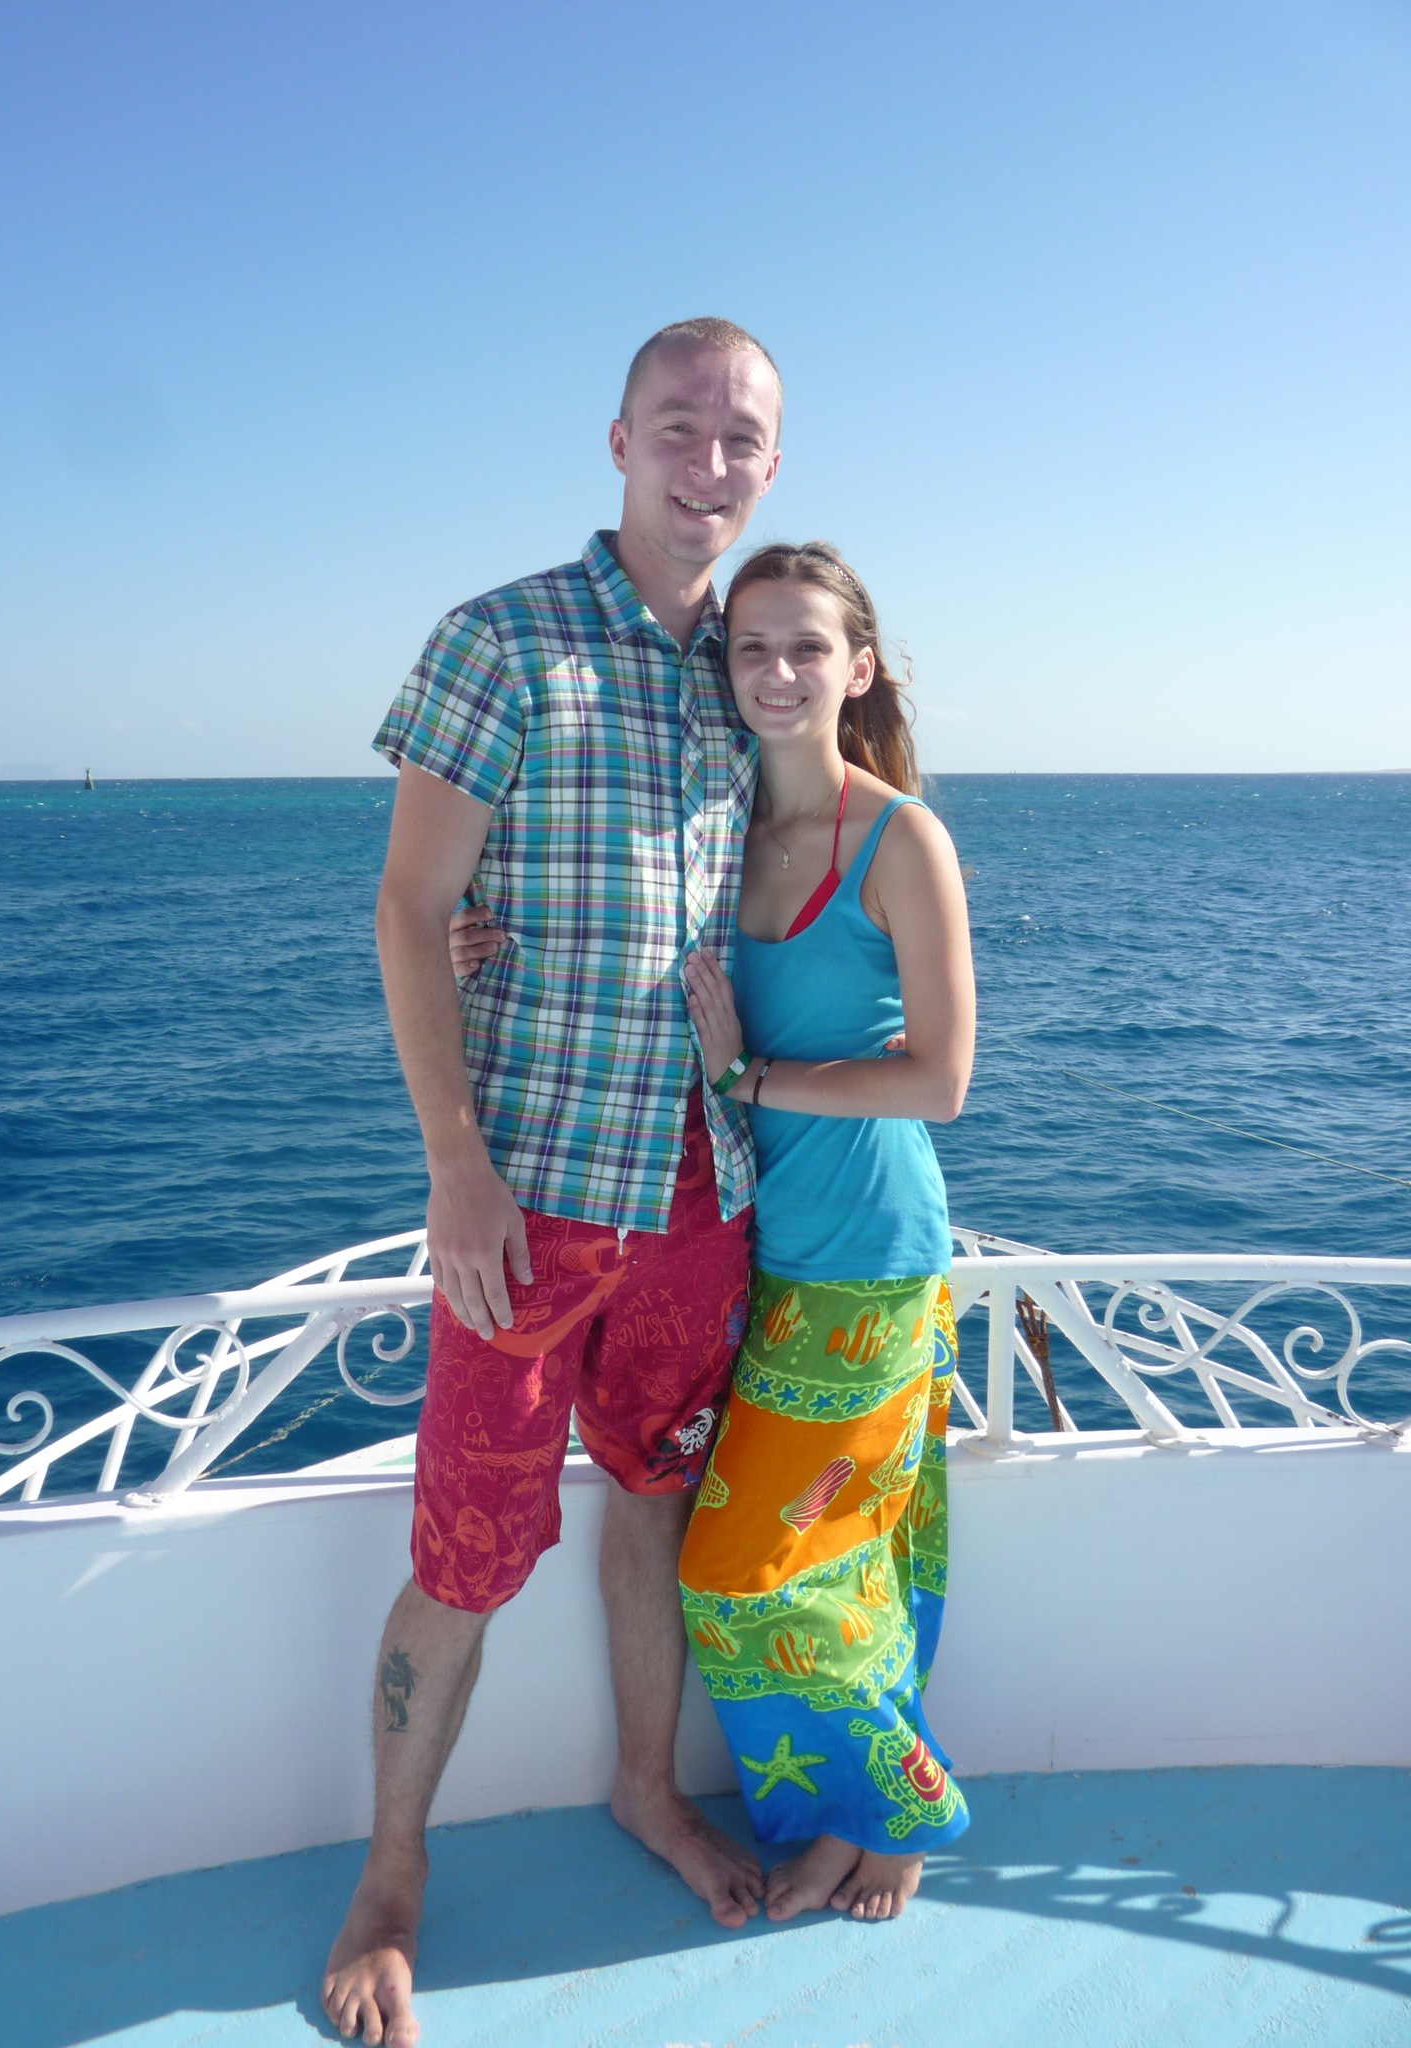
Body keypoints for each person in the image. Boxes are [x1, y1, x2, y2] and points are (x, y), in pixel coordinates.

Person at [321, 318, 783, 2048]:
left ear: (770, 468)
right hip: (531, 1203)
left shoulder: (758, 665)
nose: (707, 464)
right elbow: (410, 908)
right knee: (465, 1555)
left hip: (700, 1191)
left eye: (739, 439)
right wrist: (455, 1168)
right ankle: (390, 1877)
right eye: (679, 427)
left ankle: (646, 1792)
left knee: (653, 1504)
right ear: (618, 440)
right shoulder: (502, 638)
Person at [677, 540, 976, 1924]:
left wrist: (754, 1079)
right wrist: (473, 943)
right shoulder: (716, 829)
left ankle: (898, 1809)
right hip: (759, 1254)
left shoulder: (900, 839)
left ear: (859, 669)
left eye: (808, 646)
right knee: (842, 1555)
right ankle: (857, 1822)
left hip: (870, 1255)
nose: (778, 671)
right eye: (751, 647)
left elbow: (942, 1080)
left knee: (739, 1569)